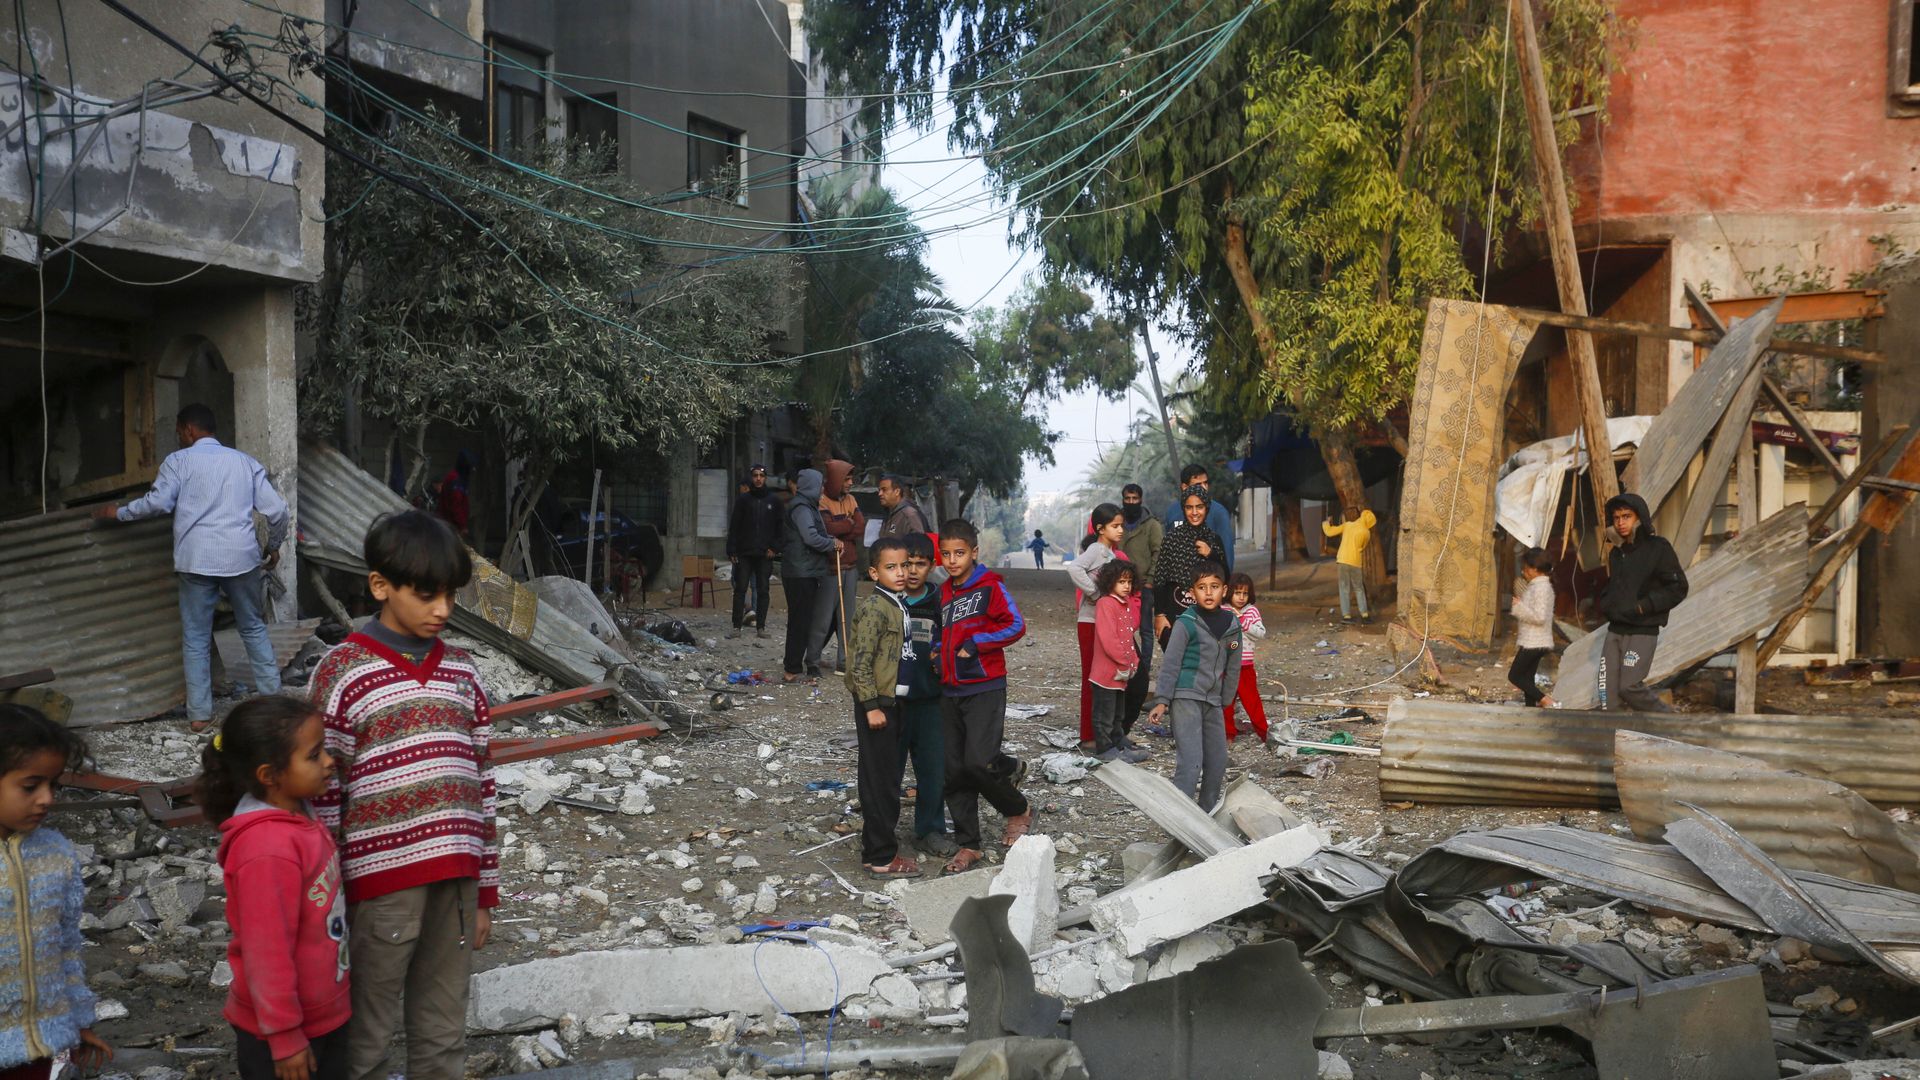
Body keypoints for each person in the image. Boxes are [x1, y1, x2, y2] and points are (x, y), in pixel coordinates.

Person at [308, 510, 497, 1080]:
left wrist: (485, 890)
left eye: (450, 596)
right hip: (379, 887)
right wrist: (324, 898)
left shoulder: (462, 671)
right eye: (426, 594)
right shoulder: (342, 672)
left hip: (457, 880)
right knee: (365, 1033)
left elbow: (483, 784)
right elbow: (323, 790)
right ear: (380, 585)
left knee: (442, 1031)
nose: (442, 610)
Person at [92, 403, 289, 731]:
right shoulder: (245, 463)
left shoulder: (178, 462)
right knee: (253, 627)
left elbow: (158, 503)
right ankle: (274, 702)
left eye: (179, 432)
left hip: (195, 560)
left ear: (189, 430)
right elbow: (278, 511)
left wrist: (121, 512)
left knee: (196, 637)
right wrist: (273, 545)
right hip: (240, 559)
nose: (179, 438)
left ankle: (199, 715)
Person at [199, 696, 351, 1080]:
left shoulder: (300, 813)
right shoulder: (267, 849)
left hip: (322, 1016)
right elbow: (267, 952)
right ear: (269, 775)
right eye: (314, 755)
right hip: (282, 1035)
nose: (329, 761)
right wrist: (285, 1037)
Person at [0, 705, 111, 1080]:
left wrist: (78, 1021)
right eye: (30, 786)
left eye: (54, 785)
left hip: (39, 1046)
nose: (47, 798)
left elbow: (66, 946)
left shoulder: (56, 854)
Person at [938, 519, 1033, 874]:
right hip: (948, 689)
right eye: (946, 554)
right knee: (954, 771)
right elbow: (939, 633)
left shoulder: (990, 586)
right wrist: (936, 655)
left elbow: (1015, 625)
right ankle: (969, 844)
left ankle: (1018, 809)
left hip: (984, 686)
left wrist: (977, 643)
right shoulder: (942, 592)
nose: (952, 560)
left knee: (978, 762)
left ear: (974, 552)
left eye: (959, 553)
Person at [845, 537, 922, 880]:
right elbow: (859, 663)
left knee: (888, 777)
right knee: (880, 782)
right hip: (878, 706)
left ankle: (877, 850)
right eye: (891, 567)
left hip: (894, 702)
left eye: (905, 565)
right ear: (875, 572)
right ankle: (881, 857)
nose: (901, 572)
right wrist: (871, 706)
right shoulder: (875, 608)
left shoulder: (897, 603)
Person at [1146, 561, 1242, 809]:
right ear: (1192, 592)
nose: (1208, 593)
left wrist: (1226, 700)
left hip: (1213, 702)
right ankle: (1180, 819)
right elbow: (1171, 663)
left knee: (1218, 761)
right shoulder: (1185, 623)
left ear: (1225, 590)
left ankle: (1205, 815)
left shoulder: (1232, 626)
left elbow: (1234, 665)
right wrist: (1162, 701)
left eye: (1214, 586)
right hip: (1185, 697)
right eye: (1201, 587)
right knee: (1191, 763)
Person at [1596, 494, 1689, 712]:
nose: (1620, 522)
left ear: (1640, 518)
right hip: (1615, 630)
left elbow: (1678, 588)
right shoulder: (1617, 553)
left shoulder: (1658, 548)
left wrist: (1643, 606)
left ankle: (1669, 720)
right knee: (1607, 696)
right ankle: (1614, 733)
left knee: (1629, 687)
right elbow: (1615, 586)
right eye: (1616, 518)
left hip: (1642, 630)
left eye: (1626, 516)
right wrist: (1606, 603)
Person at [896, 533, 954, 858]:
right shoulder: (889, 600)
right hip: (894, 701)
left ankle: (930, 830)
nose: (913, 571)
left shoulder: (940, 602)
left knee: (932, 770)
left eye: (920, 564)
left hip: (931, 699)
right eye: (907, 564)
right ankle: (882, 833)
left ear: (932, 565)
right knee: (888, 769)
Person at [1067, 504, 1127, 748]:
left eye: (1121, 525)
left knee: (1106, 677)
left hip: (1105, 623)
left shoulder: (1111, 554)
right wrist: (1094, 593)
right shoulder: (1095, 550)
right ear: (1101, 529)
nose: (1120, 530)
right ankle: (1089, 735)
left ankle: (1108, 733)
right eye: (1115, 526)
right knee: (1092, 679)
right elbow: (1074, 568)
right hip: (1090, 622)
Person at [781, 469, 841, 683]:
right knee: (799, 621)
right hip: (800, 572)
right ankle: (791, 669)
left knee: (803, 619)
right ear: (811, 486)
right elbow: (811, 537)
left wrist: (829, 539)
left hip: (804, 570)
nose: (822, 489)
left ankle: (794, 666)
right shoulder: (801, 508)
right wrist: (832, 544)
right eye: (820, 484)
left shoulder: (807, 506)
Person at [1153, 486, 1228, 651]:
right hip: (1175, 614)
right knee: (1177, 660)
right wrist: (1159, 615)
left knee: (1205, 659)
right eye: (1189, 507)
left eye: (1199, 507)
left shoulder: (1214, 540)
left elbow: (1225, 578)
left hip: (1207, 614)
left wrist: (1211, 555)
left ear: (1206, 508)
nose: (1194, 512)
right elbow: (1159, 579)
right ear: (1183, 509)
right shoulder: (1171, 539)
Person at [1088, 560, 1149, 762]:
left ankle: (1118, 742)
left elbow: (1129, 635)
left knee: (1117, 713)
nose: (1127, 586)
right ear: (1109, 581)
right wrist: (1125, 662)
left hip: (1121, 673)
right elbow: (1109, 639)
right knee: (1104, 714)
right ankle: (1105, 748)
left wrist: (1133, 662)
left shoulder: (1124, 603)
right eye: (1121, 582)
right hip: (1106, 673)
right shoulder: (1105, 604)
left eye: (1129, 582)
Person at [811, 460, 868, 675]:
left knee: (849, 618)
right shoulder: (823, 501)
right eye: (847, 479)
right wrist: (848, 523)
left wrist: (842, 528)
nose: (850, 483)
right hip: (830, 569)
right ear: (836, 480)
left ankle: (844, 662)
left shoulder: (851, 499)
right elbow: (827, 528)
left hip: (850, 567)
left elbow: (860, 527)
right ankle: (812, 661)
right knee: (823, 618)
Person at [1116, 484, 1164, 733]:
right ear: (1123, 499)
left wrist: (1150, 581)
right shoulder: (1119, 523)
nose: (1131, 502)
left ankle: (1142, 670)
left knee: (1145, 629)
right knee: (1122, 629)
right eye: (1128, 498)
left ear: (1141, 499)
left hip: (1144, 585)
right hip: (1120, 586)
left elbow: (1158, 552)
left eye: (1135, 498)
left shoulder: (1151, 525)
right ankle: (1125, 665)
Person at [726, 464, 781, 640]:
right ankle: (736, 627)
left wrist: (775, 548)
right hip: (744, 552)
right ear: (751, 477)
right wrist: (731, 549)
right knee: (740, 589)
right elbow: (734, 526)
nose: (758, 479)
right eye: (755, 475)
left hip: (765, 554)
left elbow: (780, 527)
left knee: (763, 590)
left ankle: (761, 627)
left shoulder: (773, 501)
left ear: (765, 478)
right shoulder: (743, 500)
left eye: (761, 476)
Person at [1223, 573, 1270, 743]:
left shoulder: (1251, 611)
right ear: (1229, 592)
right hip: (1226, 665)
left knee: (1252, 702)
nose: (1241, 597)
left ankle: (1264, 733)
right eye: (1237, 593)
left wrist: (1243, 621)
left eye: (1245, 593)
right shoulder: (1223, 610)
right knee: (1226, 703)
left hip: (1245, 666)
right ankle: (1228, 734)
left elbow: (1261, 633)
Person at [1509, 547, 1559, 709]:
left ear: (1535, 569)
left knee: (1515, 676)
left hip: (1535, 641)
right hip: (1534, 640)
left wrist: (1519, 607)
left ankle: (1546, 700)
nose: (1523, 572)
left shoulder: (1541, 588)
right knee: (1527, 677)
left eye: (1525, 568)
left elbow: (1539, 617)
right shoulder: (1537, 586)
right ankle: (1530, 708)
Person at [1162, 465, 1234, 569]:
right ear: (1184, 487)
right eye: (1198, 484)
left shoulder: (1219, 512)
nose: (1204, 488)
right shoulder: (1172, 512)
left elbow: (1227, 555)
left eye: (1206, 483)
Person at [1322, 504, 1377, 623]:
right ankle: (1364, 615)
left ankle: (1346, 616)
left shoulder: (1348, 525)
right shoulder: (1366, 533)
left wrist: (1326, 523)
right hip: (1356, 562)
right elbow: (1362, 547)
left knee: (1344, 588)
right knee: (1359, 588)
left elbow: (1329, 532)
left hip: (1342, 560)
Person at [877, 474, 931, 539]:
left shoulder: (909, 514)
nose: (880, 494)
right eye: (879, 490)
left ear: (897, 492)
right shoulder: (888, 513)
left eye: (884, 490)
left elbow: (919, 542)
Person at [434, 450, 474, 538]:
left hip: (451, 524)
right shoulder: (456, 480)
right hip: (451, 525)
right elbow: (455, 505)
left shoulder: (457, 478)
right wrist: (462, 525)